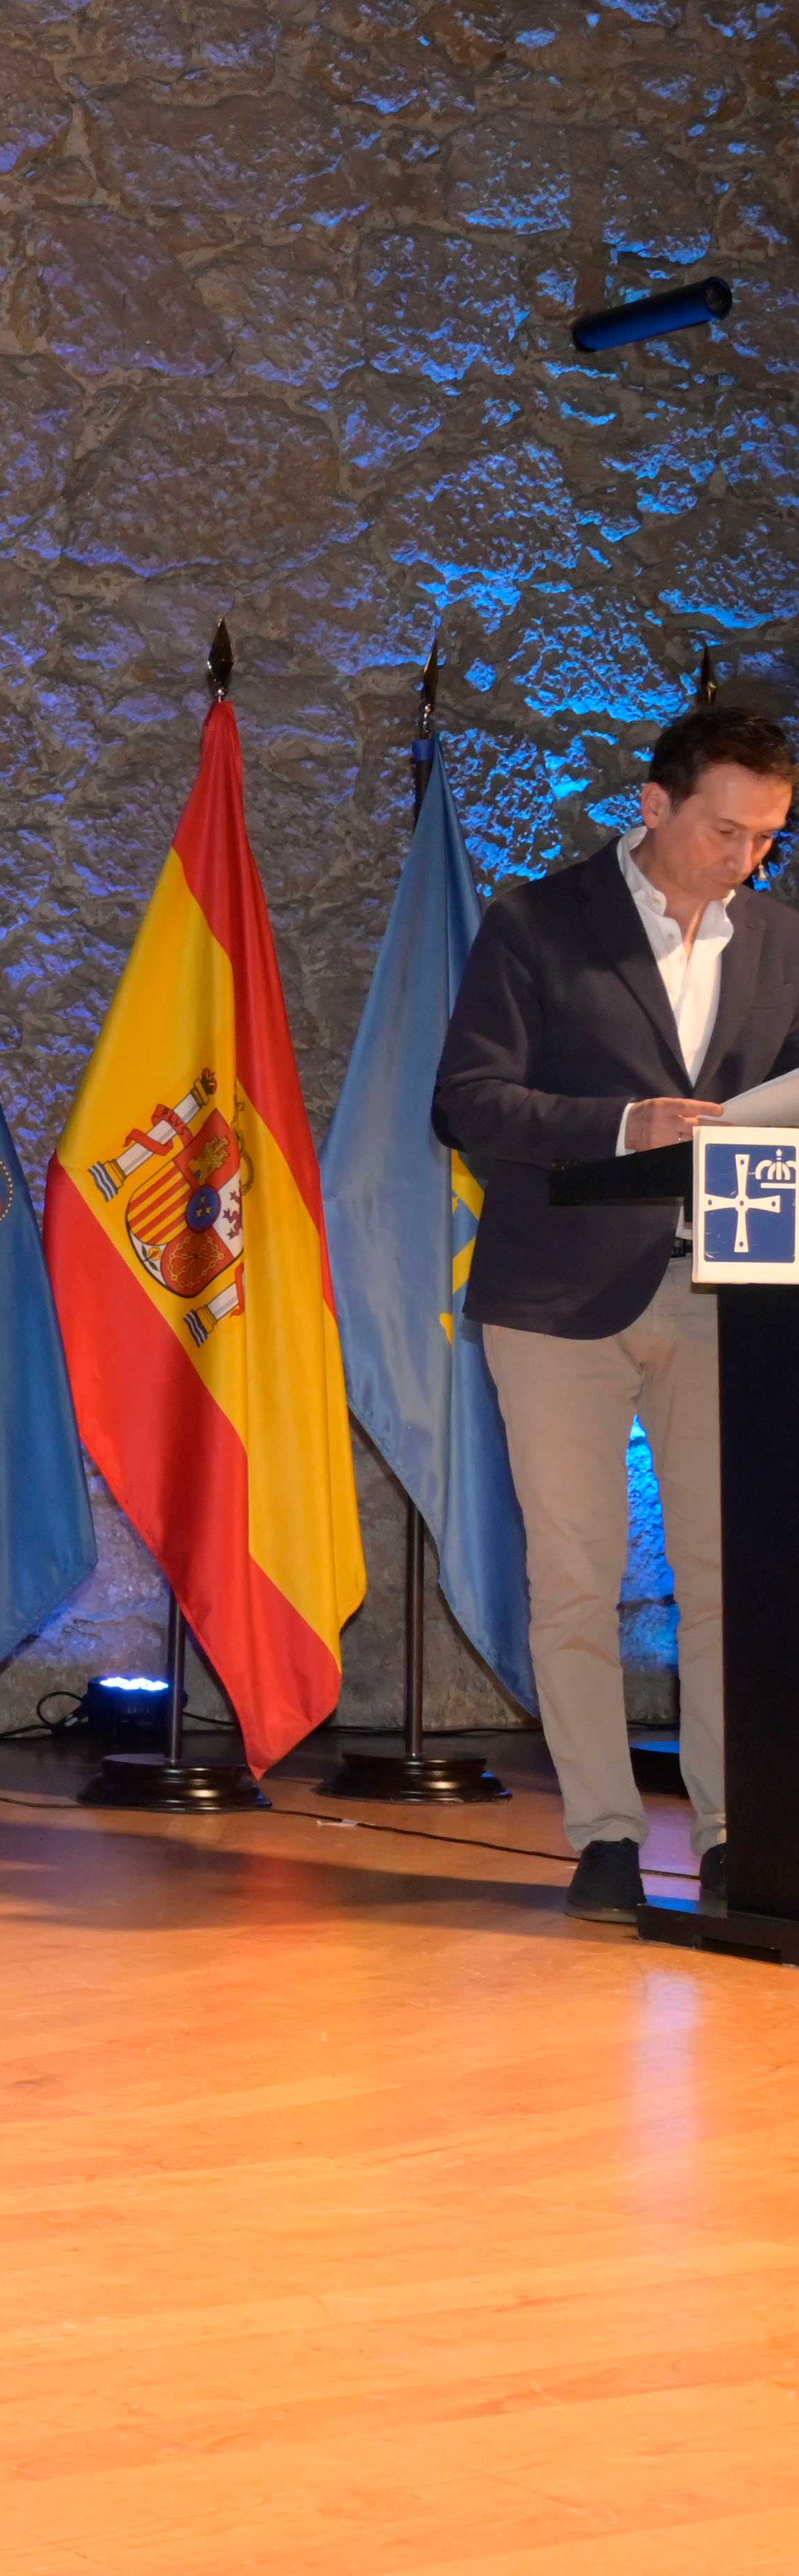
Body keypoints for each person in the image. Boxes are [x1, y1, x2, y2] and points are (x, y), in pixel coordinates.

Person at [436, 704, 799, 1924]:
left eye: (767, 840)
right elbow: (467, 1103)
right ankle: (598, 1831)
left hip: (730, 1297)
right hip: (558, 1297)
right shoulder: (537, 924)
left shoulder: (785, 941)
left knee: (726, 1577)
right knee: (579, 1576)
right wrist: (621, 1125)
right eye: (726, 831)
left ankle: (731, 1833)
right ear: (655, 805)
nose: (745, 859)